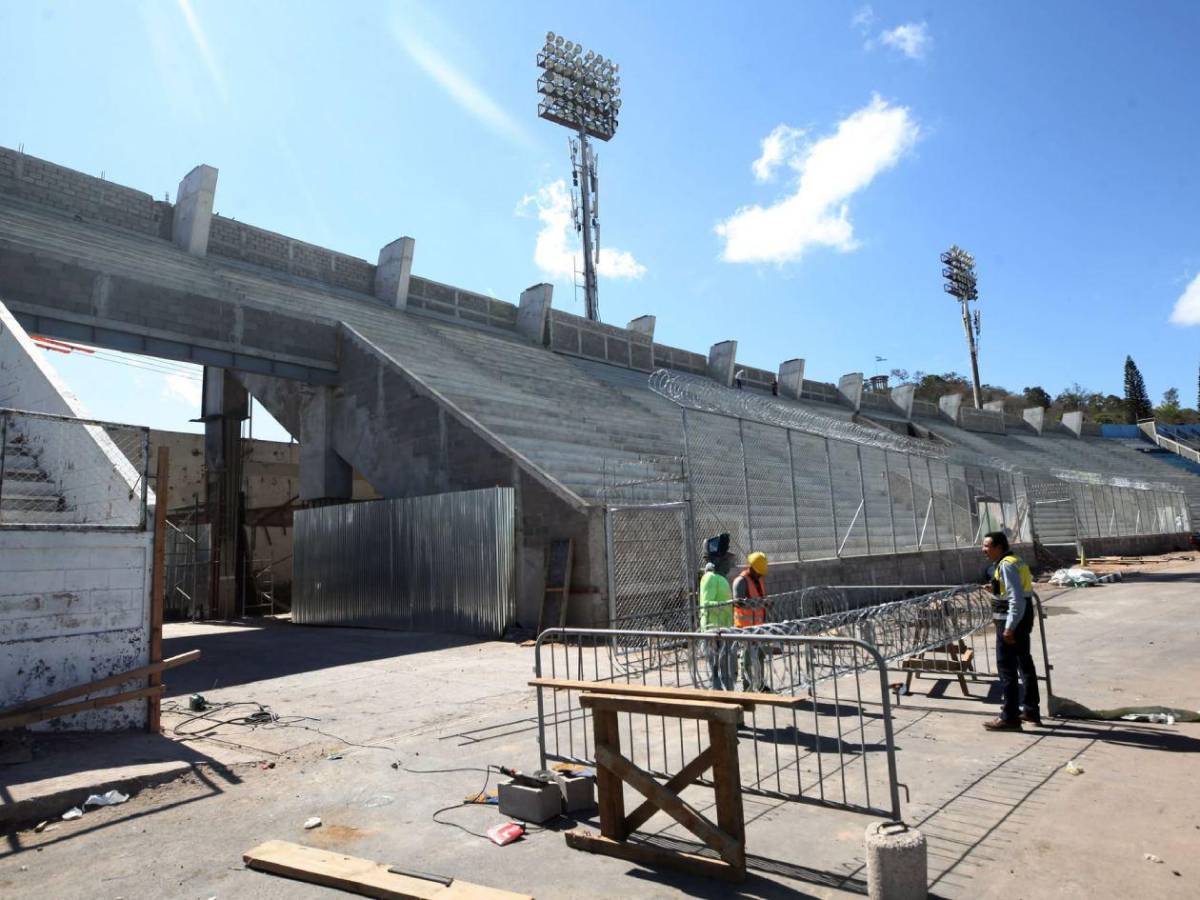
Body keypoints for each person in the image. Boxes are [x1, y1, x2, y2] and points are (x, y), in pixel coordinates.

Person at [981, 531, 1041, 730]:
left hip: (1011, 624)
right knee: (1025, 664)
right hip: (1021, 620)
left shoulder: (1006, 565)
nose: (983, 550)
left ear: (998, 547)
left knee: (1007, 669)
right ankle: (1031, 711)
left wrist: (1009, 628)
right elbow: (1019, 591)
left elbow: (1016, 598)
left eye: (987, 546)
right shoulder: (1015, 560)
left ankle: (1010, 716)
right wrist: (996, 589)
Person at [732, 551, 770, 690]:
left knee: (760, 657)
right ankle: (747, 687)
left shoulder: (758, 580)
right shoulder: (740, 581)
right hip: (745, 628)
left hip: (759, 627)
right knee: (747, 660)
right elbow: (738, 603)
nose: (760, 575)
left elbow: (761, 599)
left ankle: (760, 685)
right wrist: (759, 604)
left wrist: (766, 603)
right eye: (758, 572)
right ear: (751, 568)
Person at [699, 552, 735, 690]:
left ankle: (728, 692)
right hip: (712, 628)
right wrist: (728, 604)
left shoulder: (720, 578)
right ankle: (717, 691)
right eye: (726, 560)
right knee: (715, 666)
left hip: (724, 628)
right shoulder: (710, 578)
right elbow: (707, 604)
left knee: (726, 665)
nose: (729, 564)